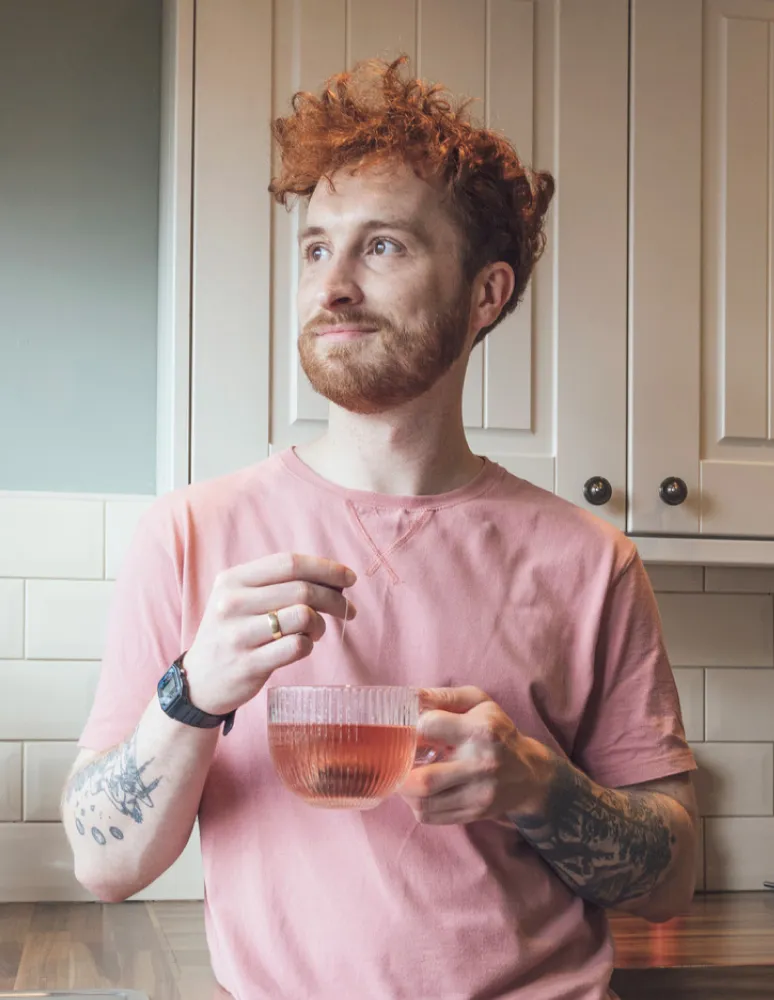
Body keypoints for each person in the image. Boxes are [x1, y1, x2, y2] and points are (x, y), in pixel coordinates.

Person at [63, 58, 697, 1000]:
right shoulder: (191, 534)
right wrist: (191, 694)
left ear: (486, 294)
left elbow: (672, 880)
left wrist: (542, 787)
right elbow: (102, 863)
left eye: (384, 247)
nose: (333, 287)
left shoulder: (591, 560)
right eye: (316, 249)